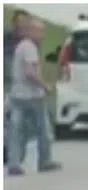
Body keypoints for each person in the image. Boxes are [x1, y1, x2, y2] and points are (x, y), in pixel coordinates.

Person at [6, 17, 61, 176]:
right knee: (43, 130)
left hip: (17, 95)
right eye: (40, 31)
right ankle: (44, 161)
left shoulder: (21, 47)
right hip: (32, 97)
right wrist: (46, 86)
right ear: (31, 31)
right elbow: (30, 72)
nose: (42, 35)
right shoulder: (30, 47)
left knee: (16, 131)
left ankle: (14, 163)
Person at [4, 8, 30, 165]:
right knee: (11, 122)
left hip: (25, 89)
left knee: (22, 123)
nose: (21, 26)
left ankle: (18, 155)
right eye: (19, 22)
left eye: (24, 23)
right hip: (8, 86)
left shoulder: (30, 42)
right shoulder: (6, 39)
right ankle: (12, 157)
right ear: (13, 23)